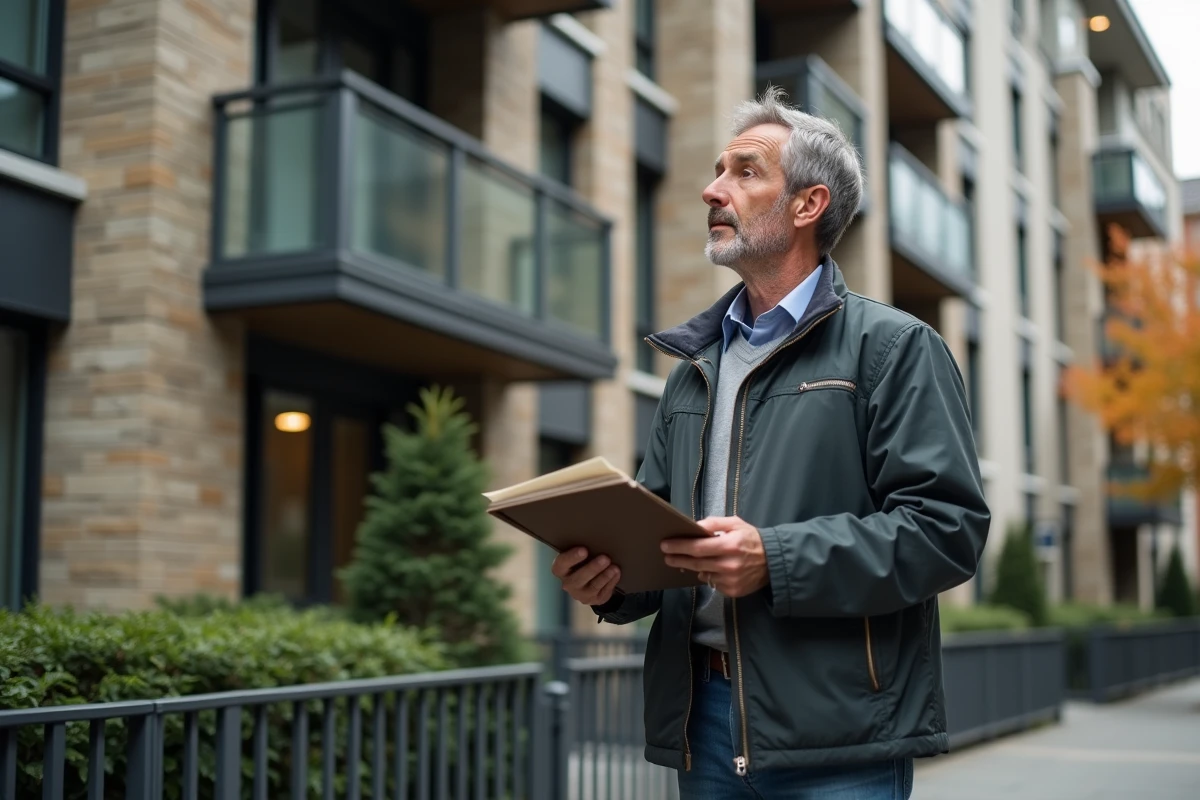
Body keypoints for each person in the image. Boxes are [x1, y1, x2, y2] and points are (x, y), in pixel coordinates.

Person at [550, 86, 990, 799]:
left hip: (841, 739)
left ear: (808, 205)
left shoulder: (896, 348)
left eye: (744, 171)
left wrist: (774, 560)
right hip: (706, 727)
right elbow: (662, 537)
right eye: (718, 170)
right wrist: (611, 582)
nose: (711, 189)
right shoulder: (694, 369)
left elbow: (947, 532)